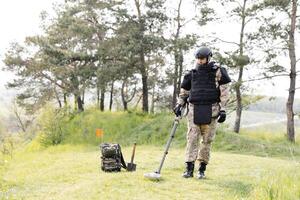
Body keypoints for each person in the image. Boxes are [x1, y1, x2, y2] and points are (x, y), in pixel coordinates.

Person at [173, 46, 231, 179]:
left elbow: (224, 92)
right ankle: (189, 169)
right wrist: (179, 105)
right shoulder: (192, 73)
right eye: (198, 59)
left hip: (212, 110)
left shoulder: (218, 71)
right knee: (192, 139)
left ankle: (202, 169)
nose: (200, 61)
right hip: (194, 110)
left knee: (206, 141)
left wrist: (223, 109)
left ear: (208, 58)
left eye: (202, 59)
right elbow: (184, 92)